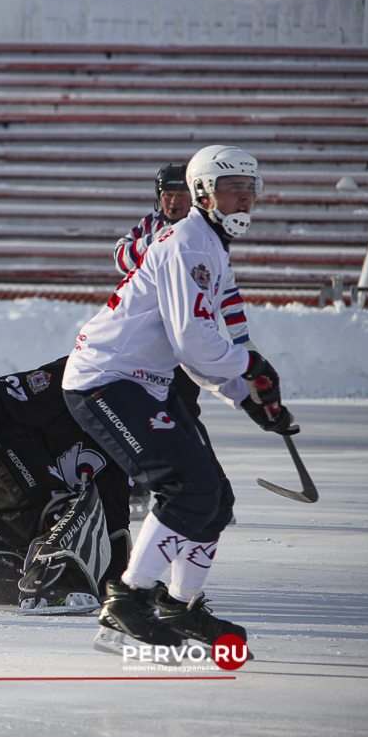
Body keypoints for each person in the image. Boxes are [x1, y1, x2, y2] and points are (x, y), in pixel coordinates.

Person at [63, 144, 298, 650]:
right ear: (203, 193)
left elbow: (198, 347)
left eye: (250, 189)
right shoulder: (189, 245)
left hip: (145, 380)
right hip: (105, 378)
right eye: (232, 188)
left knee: (215, 499)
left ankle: (179, 606)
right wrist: (252, 367)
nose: (244, 199)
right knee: (187, 488)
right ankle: (126, 601)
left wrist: (248, 399)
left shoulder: (209, 245)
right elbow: (194, 343)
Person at [114, 163, 258, 515]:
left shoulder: (204, 234)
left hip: (185, 345)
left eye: (180, 194)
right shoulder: (150, 226)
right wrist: (156, 239)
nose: (173, 201)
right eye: (167, 194)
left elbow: (228, 291)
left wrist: (243, 340)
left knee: (185, 420)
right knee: (138, 418)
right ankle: (137, 488)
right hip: (147, 348)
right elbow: (120, 257)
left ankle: (219, 496)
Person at [0, 356, 131, 614]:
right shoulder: (96, 370)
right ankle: (52, 581)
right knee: (65, 516)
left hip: (26, 490)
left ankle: (2, 565)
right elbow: (7, 388)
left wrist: (129, 582)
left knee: (77, 525)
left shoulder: (129, 446)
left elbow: (110, 526)